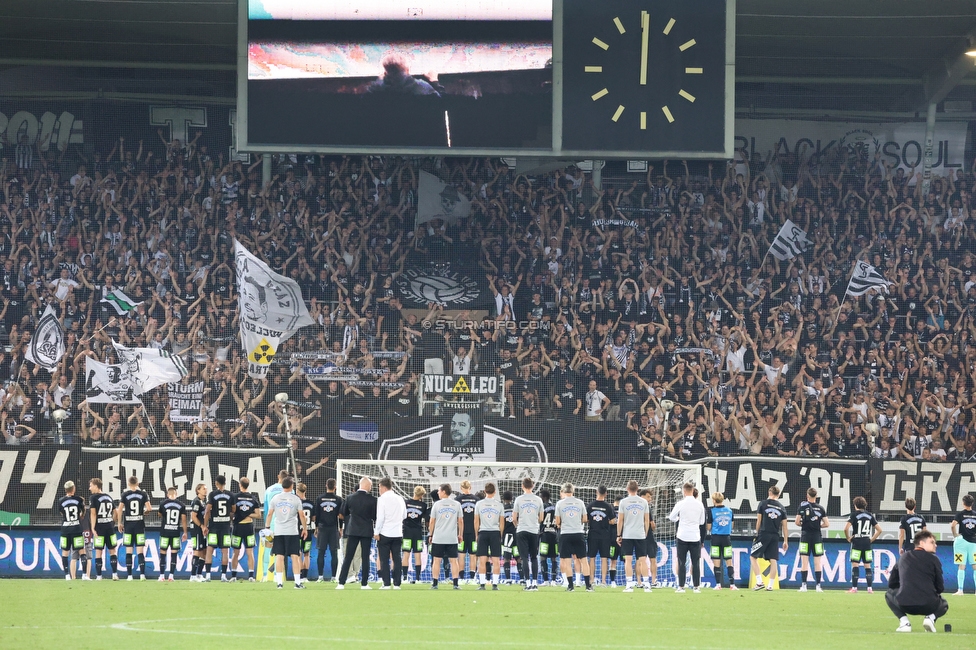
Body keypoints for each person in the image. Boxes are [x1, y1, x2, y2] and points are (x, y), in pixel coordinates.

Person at [887, 530, 949, 633]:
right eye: (932, 542)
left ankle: (904, 623)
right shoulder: (934, 559)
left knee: (889, 594)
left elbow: (891, 584)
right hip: (929, 605)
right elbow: (940, 588)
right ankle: (930, 618)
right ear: (921, 543)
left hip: (905, 604)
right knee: (944, 603)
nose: (936, 545)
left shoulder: (903, 557)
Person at [265, 476, 308, 589]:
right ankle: (297, 583)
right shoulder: (296, 499)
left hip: (279, 531)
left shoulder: (275, 498)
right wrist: (304, 528)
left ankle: (279, 583)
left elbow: (269, 514)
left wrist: (267, 527)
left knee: (279, 556)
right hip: (292, 532)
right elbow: (301, 515)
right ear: (292, 486)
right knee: (295, 556)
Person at [336, 477, 377, 590]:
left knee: (348, 556)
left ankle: (341, 583)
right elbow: (374, 517)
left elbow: (344, 513)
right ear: (367, 486)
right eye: (371, 485)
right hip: (366, 531)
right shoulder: (373, 500)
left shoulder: (349, 498)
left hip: (352, 530)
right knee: (365, 557)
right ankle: (364, 584)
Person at [668, 481, 705, 593]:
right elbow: (702, 521)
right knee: (696, 562)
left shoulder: (680, 503)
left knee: (681, 562)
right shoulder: (700, 504)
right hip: (695, 536)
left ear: (684, 491)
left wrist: (678, 519)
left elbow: (671, 517)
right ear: (693, 490)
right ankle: (696, 587)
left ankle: (681, 587)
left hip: (682, 535)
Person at [750, 485, 788, 592]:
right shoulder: (782, 507)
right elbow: (785, 526)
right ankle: (770, 585)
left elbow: (759, 521)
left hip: (764, 533)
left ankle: (759, 582)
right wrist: (785, 540)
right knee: (773, 560)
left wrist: (756, 533)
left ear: (769, 492)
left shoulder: (763, 504)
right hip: (775, 535)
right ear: (778, 495)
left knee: (753, 556)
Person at [555, 482, 591, 592]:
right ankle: (588, 586)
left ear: (563, 491)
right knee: (583, 560)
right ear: (573, 491)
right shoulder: (580, 502)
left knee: (567, 561)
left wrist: (564, 523)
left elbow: (557, 522)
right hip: (578, 533)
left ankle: (570, 586)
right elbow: (585, 519)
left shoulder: (560, 504)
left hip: (565, 534)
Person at [617, 479, 650, 593]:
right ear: (638, 489)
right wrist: (645, 533)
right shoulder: (643, 502)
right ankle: (646, 584)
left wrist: (618, 534)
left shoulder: (623, 502)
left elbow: (620, 520)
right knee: (642, 560)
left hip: (628, 534)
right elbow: (647, 520)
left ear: (627, 489)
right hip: (640, 535)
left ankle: (629, 585)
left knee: (628, 560)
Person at [428, 483, 463, 589]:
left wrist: (431, 534)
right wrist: (460, 534)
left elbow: (432, 521)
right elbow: (460, 521)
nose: (438, 493)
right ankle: (456, 584)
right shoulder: (456, 504)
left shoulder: (437, 504)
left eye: (439, 491)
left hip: (438, 537)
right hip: (452, 538)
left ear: (443, 492)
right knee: (454, 561)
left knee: (437, 560)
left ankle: (435, 584)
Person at [116, 475, 151, 580]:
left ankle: (129, 576)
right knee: (140, 551)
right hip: (139, 525)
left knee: (129, 551)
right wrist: (145, 512)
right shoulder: (143, 494)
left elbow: (120, 509)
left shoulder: (125, 495)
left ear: (128, 483)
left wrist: (119, 523)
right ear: (138, 483)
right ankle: (142, 575)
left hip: (128, 526)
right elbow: (149, 508)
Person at [374, 476, 406, 589]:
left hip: (385, 533)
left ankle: (386, 583)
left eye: (379, 487)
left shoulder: (381, 499)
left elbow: (380, 517)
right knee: (397, 559)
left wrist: (376, 532)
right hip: (398, 533)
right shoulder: (400, 498)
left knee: (384, 559)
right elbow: (404, 515)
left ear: (382, 487)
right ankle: (397, 584)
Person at [512, 476, 544, 590]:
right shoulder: (538, 500)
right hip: (534, 531)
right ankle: (535, 583)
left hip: (522, 530)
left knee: (524, 557)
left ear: (522, 486)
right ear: (533, 486)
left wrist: (517, 526)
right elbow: (541, 518)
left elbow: (514, 518)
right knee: (534, 557)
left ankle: (528, 583)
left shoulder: (519, 499)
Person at [795, 487, 828, 592]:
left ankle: (804, 585)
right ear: (816, 496)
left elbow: (797, 521)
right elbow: (827, 524)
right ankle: (818, 586)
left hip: (805, 536)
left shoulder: (802, 506)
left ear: (807, 496)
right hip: (817, 536)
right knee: (817, 561)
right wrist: (818, 526)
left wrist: (804, 524)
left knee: (804, 561)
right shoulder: (821, 508)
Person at [845, 495, 881, 593]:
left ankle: (854, 588)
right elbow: (879, 530)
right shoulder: (870, 515)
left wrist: (848, 538)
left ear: (855, 505)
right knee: (867, 565)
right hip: (866, 542)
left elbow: (846, 528)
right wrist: (871, 539)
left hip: (857, 541)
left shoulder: (854, 515)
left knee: (855, 565)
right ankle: (870, 588)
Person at [204, 474, 237, 582]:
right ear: (225, 483)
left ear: (216, 483)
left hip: (214, 526)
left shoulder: (212, 494)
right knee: (225, 551)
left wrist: (205, 525)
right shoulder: (231, 495)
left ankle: (208, 575)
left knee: (209, 550)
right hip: (225, 527)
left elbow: (207, 510)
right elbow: (233, 509)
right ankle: (223, 576)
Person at [474, 481, 504, 590]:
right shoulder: (499, 505)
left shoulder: (479, 504)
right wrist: (500, 534)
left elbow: (476, 521)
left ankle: (482, 584)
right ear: (495, 492)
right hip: (495, 532)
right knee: (496, 560)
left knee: (482, 559)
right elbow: (502, 523)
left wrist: (476, 534)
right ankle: (495, 584)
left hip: (483, 532)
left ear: (484, 491)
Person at [231, 477, 261, 582]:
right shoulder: (253, 498)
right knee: (250, 552)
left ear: (240, 485)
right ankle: (251, 576)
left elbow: (232, 511)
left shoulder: (235, 497)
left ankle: (234, 576)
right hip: (249, 526)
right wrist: (249, 514)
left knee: (235, 552)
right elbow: (258, 515)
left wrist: (239, 515)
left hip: (238, 527)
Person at [88, 478, 119, 580]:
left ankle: (99, 576)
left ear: (96, 486)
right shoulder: (109, 497)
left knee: (98, 552)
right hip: (110, 527)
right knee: (112, 551)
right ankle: (114, 574)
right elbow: (116, 512)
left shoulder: (93, 498)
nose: (90, 488)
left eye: (91, 486)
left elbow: (93, 513)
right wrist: (112, 522)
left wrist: (93, 528)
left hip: (99, 528)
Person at [586, 485, 617, 588]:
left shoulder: (590, 505)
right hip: (605, 535)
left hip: (593, 534)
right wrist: (606, 521)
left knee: (592, 558)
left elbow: (586, 519)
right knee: (604, 558)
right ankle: (603, 581)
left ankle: (591, 580)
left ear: (596, 492)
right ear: (606, 493)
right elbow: (613, 521)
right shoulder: (608, 506)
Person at [314, 478, 344, 582]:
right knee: (334, 553)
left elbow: (316, 515)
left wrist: (316, 527)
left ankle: (320, 576)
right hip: (333, 528)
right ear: (335, 487)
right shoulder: (339, 499)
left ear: (326, 485)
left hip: (322, 528)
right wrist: (341, 528)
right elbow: (340, 516)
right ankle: (334, 577)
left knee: (321, 552)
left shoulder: (319, 498)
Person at [58, 481, 87, 580]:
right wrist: (80, 516)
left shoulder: (61, 500)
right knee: (82, 551)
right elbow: (83, 511)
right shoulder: (79, 499)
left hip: (65, 529)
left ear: (65, 490)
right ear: (73, 488)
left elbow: (62, 513)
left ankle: (67, 575)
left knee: (65, 552)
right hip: (76, 528)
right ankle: (84, 575)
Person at [157, 486, 187, 582]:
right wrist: (185, 532)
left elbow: (159, 514)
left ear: (167, 494)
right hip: (175, 532)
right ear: (176, 494)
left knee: (163, 554)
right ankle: (171, 576)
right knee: (174, 554)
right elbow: (183, 520)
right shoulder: (181, 505)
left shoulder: (163, 503)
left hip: (165, 532)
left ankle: (161, 576)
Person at [707, 492, 735, 590]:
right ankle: (732, 584)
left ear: (714, 500)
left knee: (716, 562)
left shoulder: (712, 511)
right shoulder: (729, 510)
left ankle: (718, 584)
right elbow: (732, 525)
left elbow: (709, 527)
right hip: (726, 538)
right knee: (729, 561)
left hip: (715, 539)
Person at [402, 485, 428, 584]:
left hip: (407, 531)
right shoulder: (424, 505)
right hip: (417, 533)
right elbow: (426, 520)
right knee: (418, 555)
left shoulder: (406, 503)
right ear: (421, 495)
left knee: (406, 554)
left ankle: (404, 578)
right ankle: (417, 579)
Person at [951, 493, 976, 595]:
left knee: (961, 565)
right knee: (975, 566)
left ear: (963, 503)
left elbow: (953, 525)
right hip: (974, 543)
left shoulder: (960, 514)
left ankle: (960, 590)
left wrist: (955, 535)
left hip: (961, 542)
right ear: (972, 503)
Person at [456, 480, 479, 584]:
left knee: (461, 554)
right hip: (474, 532)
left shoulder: (457, 500)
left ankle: (461, 578)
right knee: (472, 555)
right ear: (470, 487)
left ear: (461, 488)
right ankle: (472, 578)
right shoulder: (477, 500)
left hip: (461, 532)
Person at [539, 488, 559, 586]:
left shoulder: (542, 507)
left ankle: (546, 580)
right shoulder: (555, 507)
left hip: (545, 535)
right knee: (554, 558)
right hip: (554, 535)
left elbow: (539, 521)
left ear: (544, 497)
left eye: (541, 496)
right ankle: (554, 581)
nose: (540, 498)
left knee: (543, 557)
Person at [638, 488, 659, 588]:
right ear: (642, 496)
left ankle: (639, 582)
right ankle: (653, 581)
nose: (650, 499)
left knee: (640, 560)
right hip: (648, 536)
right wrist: (653, 527)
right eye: (648, 496)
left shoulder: (636, 507)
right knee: (652, 559)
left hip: (637, 535)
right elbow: (652, 524)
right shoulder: (646, 507)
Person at [188, 483, 208, 582]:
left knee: (204, 551)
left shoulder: (203, 502)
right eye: (203, 489)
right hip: (196, 529)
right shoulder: (196, 502)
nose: (205, 490)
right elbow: (193, 516)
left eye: (206, 489)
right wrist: (201, 526)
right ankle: (193, 575)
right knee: (197, 551)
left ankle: (199, 574)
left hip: (202, 529)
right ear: (198, 490)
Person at [298, 483, 315, 582]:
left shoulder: (296, 502)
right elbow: (313, 518)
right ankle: (305, 577)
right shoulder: (311, 503)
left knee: (298, 553)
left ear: (297, 491)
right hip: (308, 531)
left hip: (298, 531)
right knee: (307, 554)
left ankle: (300, 576)